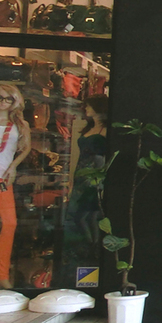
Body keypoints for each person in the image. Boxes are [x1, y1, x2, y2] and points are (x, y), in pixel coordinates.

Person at [59, 94, 108, 287]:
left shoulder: (106, 130)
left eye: (89, 106)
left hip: (94, 176)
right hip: (81, 174)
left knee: (88, 214)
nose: (86, 109)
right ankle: (89, 246)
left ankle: (92, 245)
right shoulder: (88, 128)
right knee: (84, 214)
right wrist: (72, 178)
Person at [0, 85, 31, 289]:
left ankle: (2, 275)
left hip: (2, 177)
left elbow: (26, 147)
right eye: (0, 98)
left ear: (15, 101)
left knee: (10, 223)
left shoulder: (20, 124)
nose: (3, 102)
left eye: (8, 99)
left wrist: (13, 166)